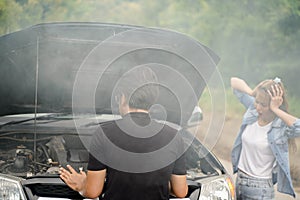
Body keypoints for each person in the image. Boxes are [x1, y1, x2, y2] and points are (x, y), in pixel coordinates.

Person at [59, 67, 188, 200]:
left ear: (122, 97)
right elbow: (181, 191)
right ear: (153, 100)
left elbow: (93, 192)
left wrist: (82, 185)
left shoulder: (104, 133)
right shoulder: (173, 136)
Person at [230, 77, 300, 199]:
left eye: (263, 105)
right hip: (240, 181)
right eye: (257, 102)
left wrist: (275, 109)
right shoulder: (253, 110)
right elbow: (234, 82)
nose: (258, 107)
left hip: (260, 189)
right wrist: (253, 92)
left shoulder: (280, 126)